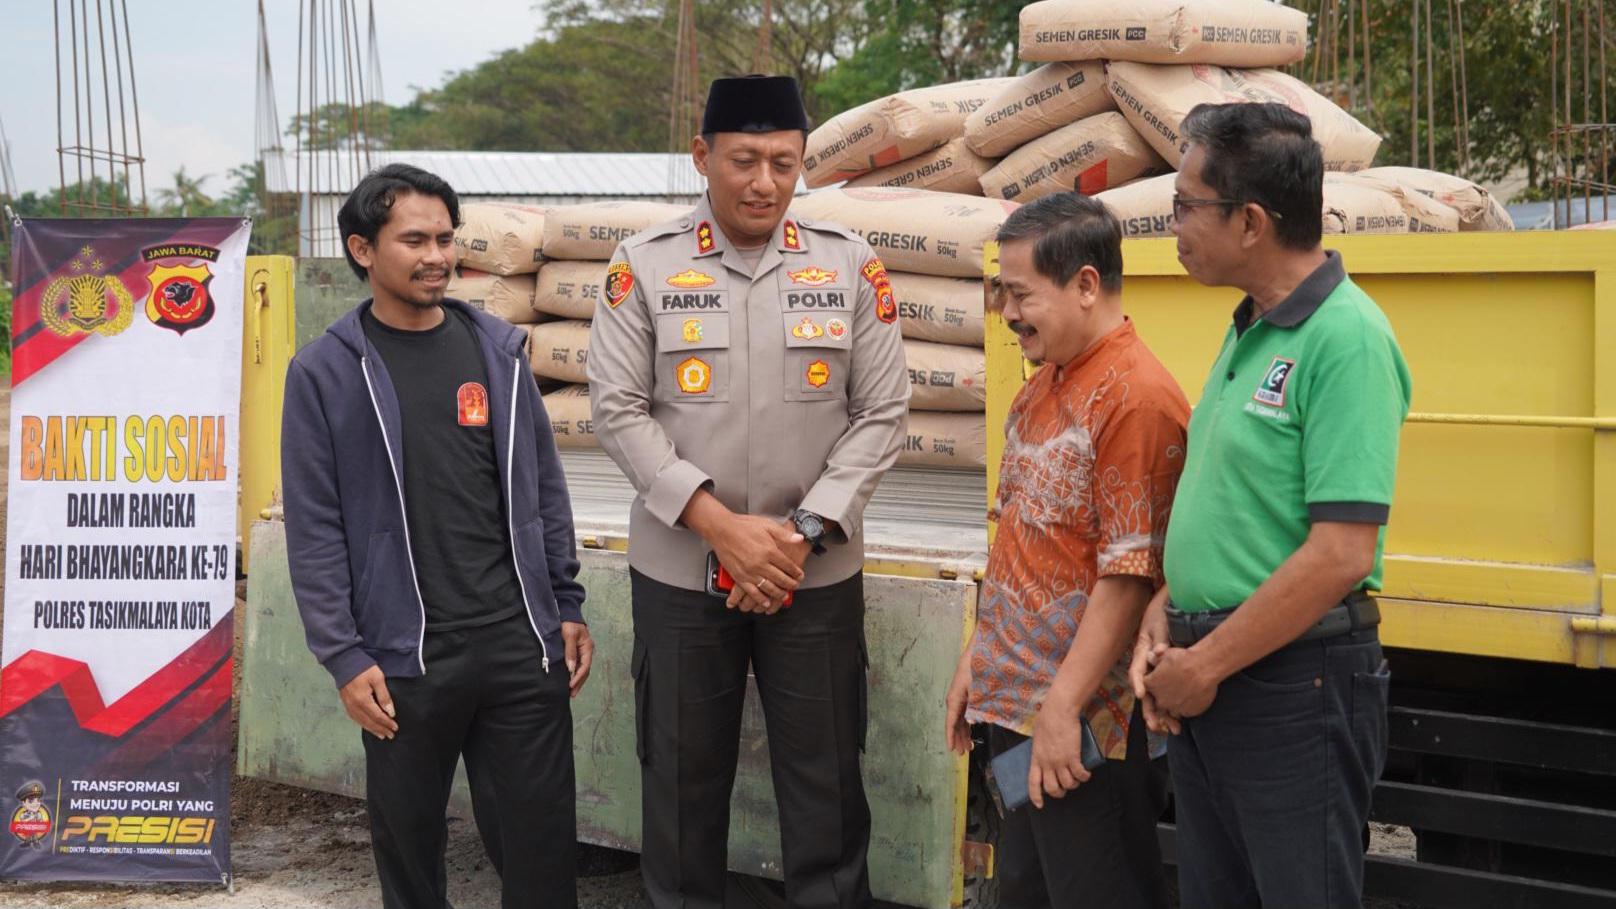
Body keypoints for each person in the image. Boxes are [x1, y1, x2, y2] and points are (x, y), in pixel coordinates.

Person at [587, 74, 910, 909]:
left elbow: (882, 411)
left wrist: (799, 533)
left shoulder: (847, 261)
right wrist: (719, 524)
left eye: (783, 161)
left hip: (815, 573)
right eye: (743, 160)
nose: (764, 181)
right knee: (684, 790)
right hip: (684, 573)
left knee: (828, 788)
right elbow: (617, 410)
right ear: (702, 156)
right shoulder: (644, 265)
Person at [281, 163, 591, 909]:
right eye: (413, 239)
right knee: (412, 854)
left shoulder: (497, 352)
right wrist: (344, 655)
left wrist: (566, 600)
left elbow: (542, 489)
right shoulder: (325, 373)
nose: (436, 257)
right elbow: (314, 525)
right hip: (405, 660)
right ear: (363, 249)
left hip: (518, 644)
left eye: (446, 239)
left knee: (542, 850)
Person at [1130, 102, 1412, 909]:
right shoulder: (1252, 326)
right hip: (1213, 675)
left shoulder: (1345, 338)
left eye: (1187, 206)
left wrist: (1205, 665)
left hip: (1294, 685)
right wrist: (1166, 602)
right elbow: (1243, 508)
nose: (1173, 224)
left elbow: (1342, 553)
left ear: (1250, 221)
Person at [943, 193, 1188, 909]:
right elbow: (1021, 538)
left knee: (1101, 889)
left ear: (1085, 284)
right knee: (1028, 891)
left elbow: (1129, 578)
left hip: (1086, 730)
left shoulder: (1134, 399)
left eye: (1020, 294)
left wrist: (1062, 708)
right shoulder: (1045, 385)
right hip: (1023, 711)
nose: (1007, 313)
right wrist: (976, 661)